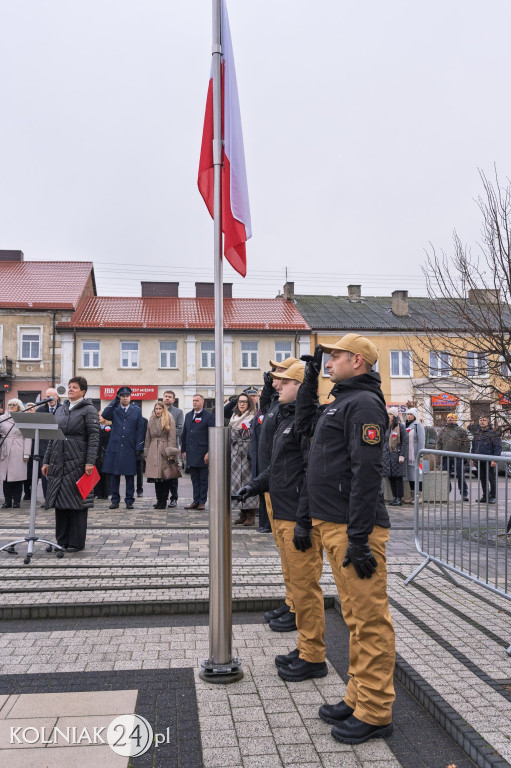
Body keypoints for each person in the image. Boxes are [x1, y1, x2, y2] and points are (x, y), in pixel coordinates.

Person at [296, 334, 395, 746]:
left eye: (334, 355)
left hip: (355, 529)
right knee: (354, 617)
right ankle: (358, 696)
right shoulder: (342, 400)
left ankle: (375, 711)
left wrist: (358, 537)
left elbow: (367, 473)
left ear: (357, 360)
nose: (328, 361)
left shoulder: (365, 404)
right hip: (332, 524)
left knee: (369, 620)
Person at [237, 362, 329, 682]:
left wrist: (304, 520)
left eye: (285, 382)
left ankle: (314, 655)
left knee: (306, 590)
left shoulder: (307, 422)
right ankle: (305, 647)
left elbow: (311, 475)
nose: (277, 386)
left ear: (300, 387)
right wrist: (257, 485)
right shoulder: (286, 419)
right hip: (281, 509)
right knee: (296, 584)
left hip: (297, 516)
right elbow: (279, 467)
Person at [41, 377, 100, 552]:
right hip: (58, 462)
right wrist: (46, 460)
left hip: (78, 462)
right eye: (69, 387)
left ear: (83, 391)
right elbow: (53, 436)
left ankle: (75, 542)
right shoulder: (62, 409)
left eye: (75, 387)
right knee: (60, 503)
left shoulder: (88, 410)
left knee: (76, 503)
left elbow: (94, 437)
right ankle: (62, 540)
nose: (71, 390)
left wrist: (90, 461)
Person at [101, 387, 146, 510]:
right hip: (115, 446)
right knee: (114, 475)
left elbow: (140, 429)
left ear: (130, 397)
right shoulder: (114, 409)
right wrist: (114, 401)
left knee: (130, 475)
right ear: (119, 397)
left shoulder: (136, 411)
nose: (125, 398)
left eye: (127, 395)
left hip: (130, 447)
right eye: (122, 395)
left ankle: (129, 500)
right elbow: (105, 415)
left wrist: (139, 446)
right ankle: (115, 500)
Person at [229, 393, 259, 526]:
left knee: (248, 482)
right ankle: (242, 512)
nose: (241, 404)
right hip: (235, 454)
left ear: (249, 403)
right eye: (239, 402)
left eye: (244, 402)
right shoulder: (234, 418)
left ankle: (251, 513)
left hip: (248, 453)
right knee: (236, 483)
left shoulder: (253, 417)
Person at [181, 394, 214, 510]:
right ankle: (195, 500)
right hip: (191, 452)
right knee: (194, 478)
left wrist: (209, 452)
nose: (194, 402)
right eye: (193, 400)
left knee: (203, 479)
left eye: (197, 400)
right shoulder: (188, 415)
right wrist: (184, 450)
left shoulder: (209, 416)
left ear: (202, 402)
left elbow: (212, 436)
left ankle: (202, 501)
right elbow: (184, 433)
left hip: (203, 453)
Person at [144, 401, 178, 509]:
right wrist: (146, 453)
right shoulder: (151, 420)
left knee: (165, 477)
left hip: (164, 449)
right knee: (156, 477)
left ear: (163, 409)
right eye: (156, 409)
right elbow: (147, 437)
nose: (158, 411)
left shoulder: (169, 420)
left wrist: (171, 453)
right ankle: (159, 499)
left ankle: (164, 500)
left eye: (160, 409)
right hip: (153, 449)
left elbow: (172, 437)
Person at [0, 399, 30, 508]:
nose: (11, 406)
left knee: (17, 477)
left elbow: (28, 437)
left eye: (14, 405)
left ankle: (17, 501)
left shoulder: (23, 419)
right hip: (5, 448)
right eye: (10, 404)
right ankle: (7, 501)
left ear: (19, 407)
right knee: (6, 477)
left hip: (18, 449)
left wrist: (26, 453)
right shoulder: (2, 418)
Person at [36, 388, 62, 505]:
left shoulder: (63, 409)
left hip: (59, 446)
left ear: (57, 396)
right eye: (48, 397)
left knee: (58, 474)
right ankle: (47, 499)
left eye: (52, 396)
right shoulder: (40, 410)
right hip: (44, 447)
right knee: (45, 474)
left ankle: (57, 499)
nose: (50, 399)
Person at [437, 412, 470, 501]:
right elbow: (439, 444)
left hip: (458, 456)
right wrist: (439, 455)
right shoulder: (443, 431)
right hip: (446, 457)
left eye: (452, 417)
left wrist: (463, 455)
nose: (450, 419)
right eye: (448, 418)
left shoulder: (461, 431)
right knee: (446, 476)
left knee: (460, 475)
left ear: (455, 419)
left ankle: (464, 494)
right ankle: (446, 492)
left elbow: (466, 444)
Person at [471, 415, 501, 503]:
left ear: (488, 422)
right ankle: (485, 496)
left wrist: (494, 459)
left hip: (489, 460)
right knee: (482, 478)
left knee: (492, 478)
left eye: (484, 420)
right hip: (479, 460)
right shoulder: (477, 433)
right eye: (480, 420)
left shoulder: (493, 433)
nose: (482, 421)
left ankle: (493, 496)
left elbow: (498, 447)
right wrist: (472, 458)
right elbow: (474, 446)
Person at [382, 408, 409, 506]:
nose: (388, 416)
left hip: (396, 455)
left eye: (390, 414)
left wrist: (402, 455)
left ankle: (399, 498)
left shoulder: (400, 427)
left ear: (394, 416)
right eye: (388, 414)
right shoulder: (387, 427)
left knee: (398, 478)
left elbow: (404, 442)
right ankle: (394, 497)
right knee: (391, 477)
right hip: (387, 456)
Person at [162, 391, 184, 508]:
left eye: (170, 397)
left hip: (171, 447)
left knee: (172, 473)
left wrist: (167, 434)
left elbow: (180, 429)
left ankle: (174, 498)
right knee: (160, 474)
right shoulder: (158, 410)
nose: (167, 399)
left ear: (173, 400)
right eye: (166, 397)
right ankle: (162, 498)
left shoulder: (178, 412)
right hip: (159, 448)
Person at [404, 408, 425, 503]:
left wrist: (420, 454)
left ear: (414, 416)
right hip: (407, 454)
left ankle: (419, 496)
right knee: (410, 475)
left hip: (415, 454)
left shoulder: (418, 426)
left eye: (411, 414)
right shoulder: (404, 425)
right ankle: (412, 496)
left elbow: (421, 441)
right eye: (407, 414)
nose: (409, 416)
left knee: (418, 475)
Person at [95, 414, 112, 499]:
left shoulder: (109, 427)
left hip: (106, 454)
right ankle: (98, 493)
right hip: (97, 454)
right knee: (97, 474)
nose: (99, 417)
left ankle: (106, 493)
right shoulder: (96, 428)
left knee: (106, 475)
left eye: (100, 416)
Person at [136, 415, 148, 497]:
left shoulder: (144, 420)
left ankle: (140, 490)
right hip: (130, 448)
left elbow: (146, 435)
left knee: (139, 472)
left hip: (140, 450)